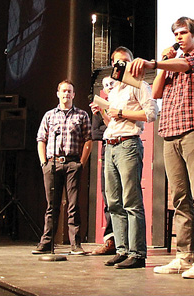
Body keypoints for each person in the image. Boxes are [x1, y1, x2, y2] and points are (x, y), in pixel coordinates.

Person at [129, 17, 194, 279]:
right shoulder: (170, 64)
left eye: (183, 32)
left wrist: (156, 62)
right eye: (176, 33)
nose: (179, 37)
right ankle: (183, 256)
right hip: (169, 133)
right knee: (180, 198)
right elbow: (155, 92)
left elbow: (185, 64)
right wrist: (161, 67)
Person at [91, 47, 158, 269]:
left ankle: (137, 253)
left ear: (130, 63)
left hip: (128, 145)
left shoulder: (140, 85)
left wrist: (121, 113)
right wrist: (102, 111)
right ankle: (122, 249)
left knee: (131, 200)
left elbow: (151, 113)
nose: (119, 65)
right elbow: (113, 123)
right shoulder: (114, 91)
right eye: (116, 62)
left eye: (124, 61)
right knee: (114, 202)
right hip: (110, 145)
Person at [33, 80, 92, 255]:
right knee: (52, 205)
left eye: (70, 91)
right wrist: (44, 162)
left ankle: (75, 244)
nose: (66, 94)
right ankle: (47, 242)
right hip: (52, 163)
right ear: (58, 93)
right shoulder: (49, 115)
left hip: (73, 162)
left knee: (73, 205)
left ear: (74, 95)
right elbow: (40, 139)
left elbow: (88, 140)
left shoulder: (81, 115)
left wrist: (81, 162)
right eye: (63, 91)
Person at [90, 76, 117, 256]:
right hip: (106, 152)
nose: (108, 87)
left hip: (122, 147)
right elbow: (94, 133)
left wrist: (106, 125)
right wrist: (101, 115)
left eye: (111, 83)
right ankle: (111, 240)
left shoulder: (122, 103)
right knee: (107, 196)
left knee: (121, 197)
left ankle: (123, 241)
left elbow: (115, 127)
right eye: (105, 85)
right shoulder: (101, 107)